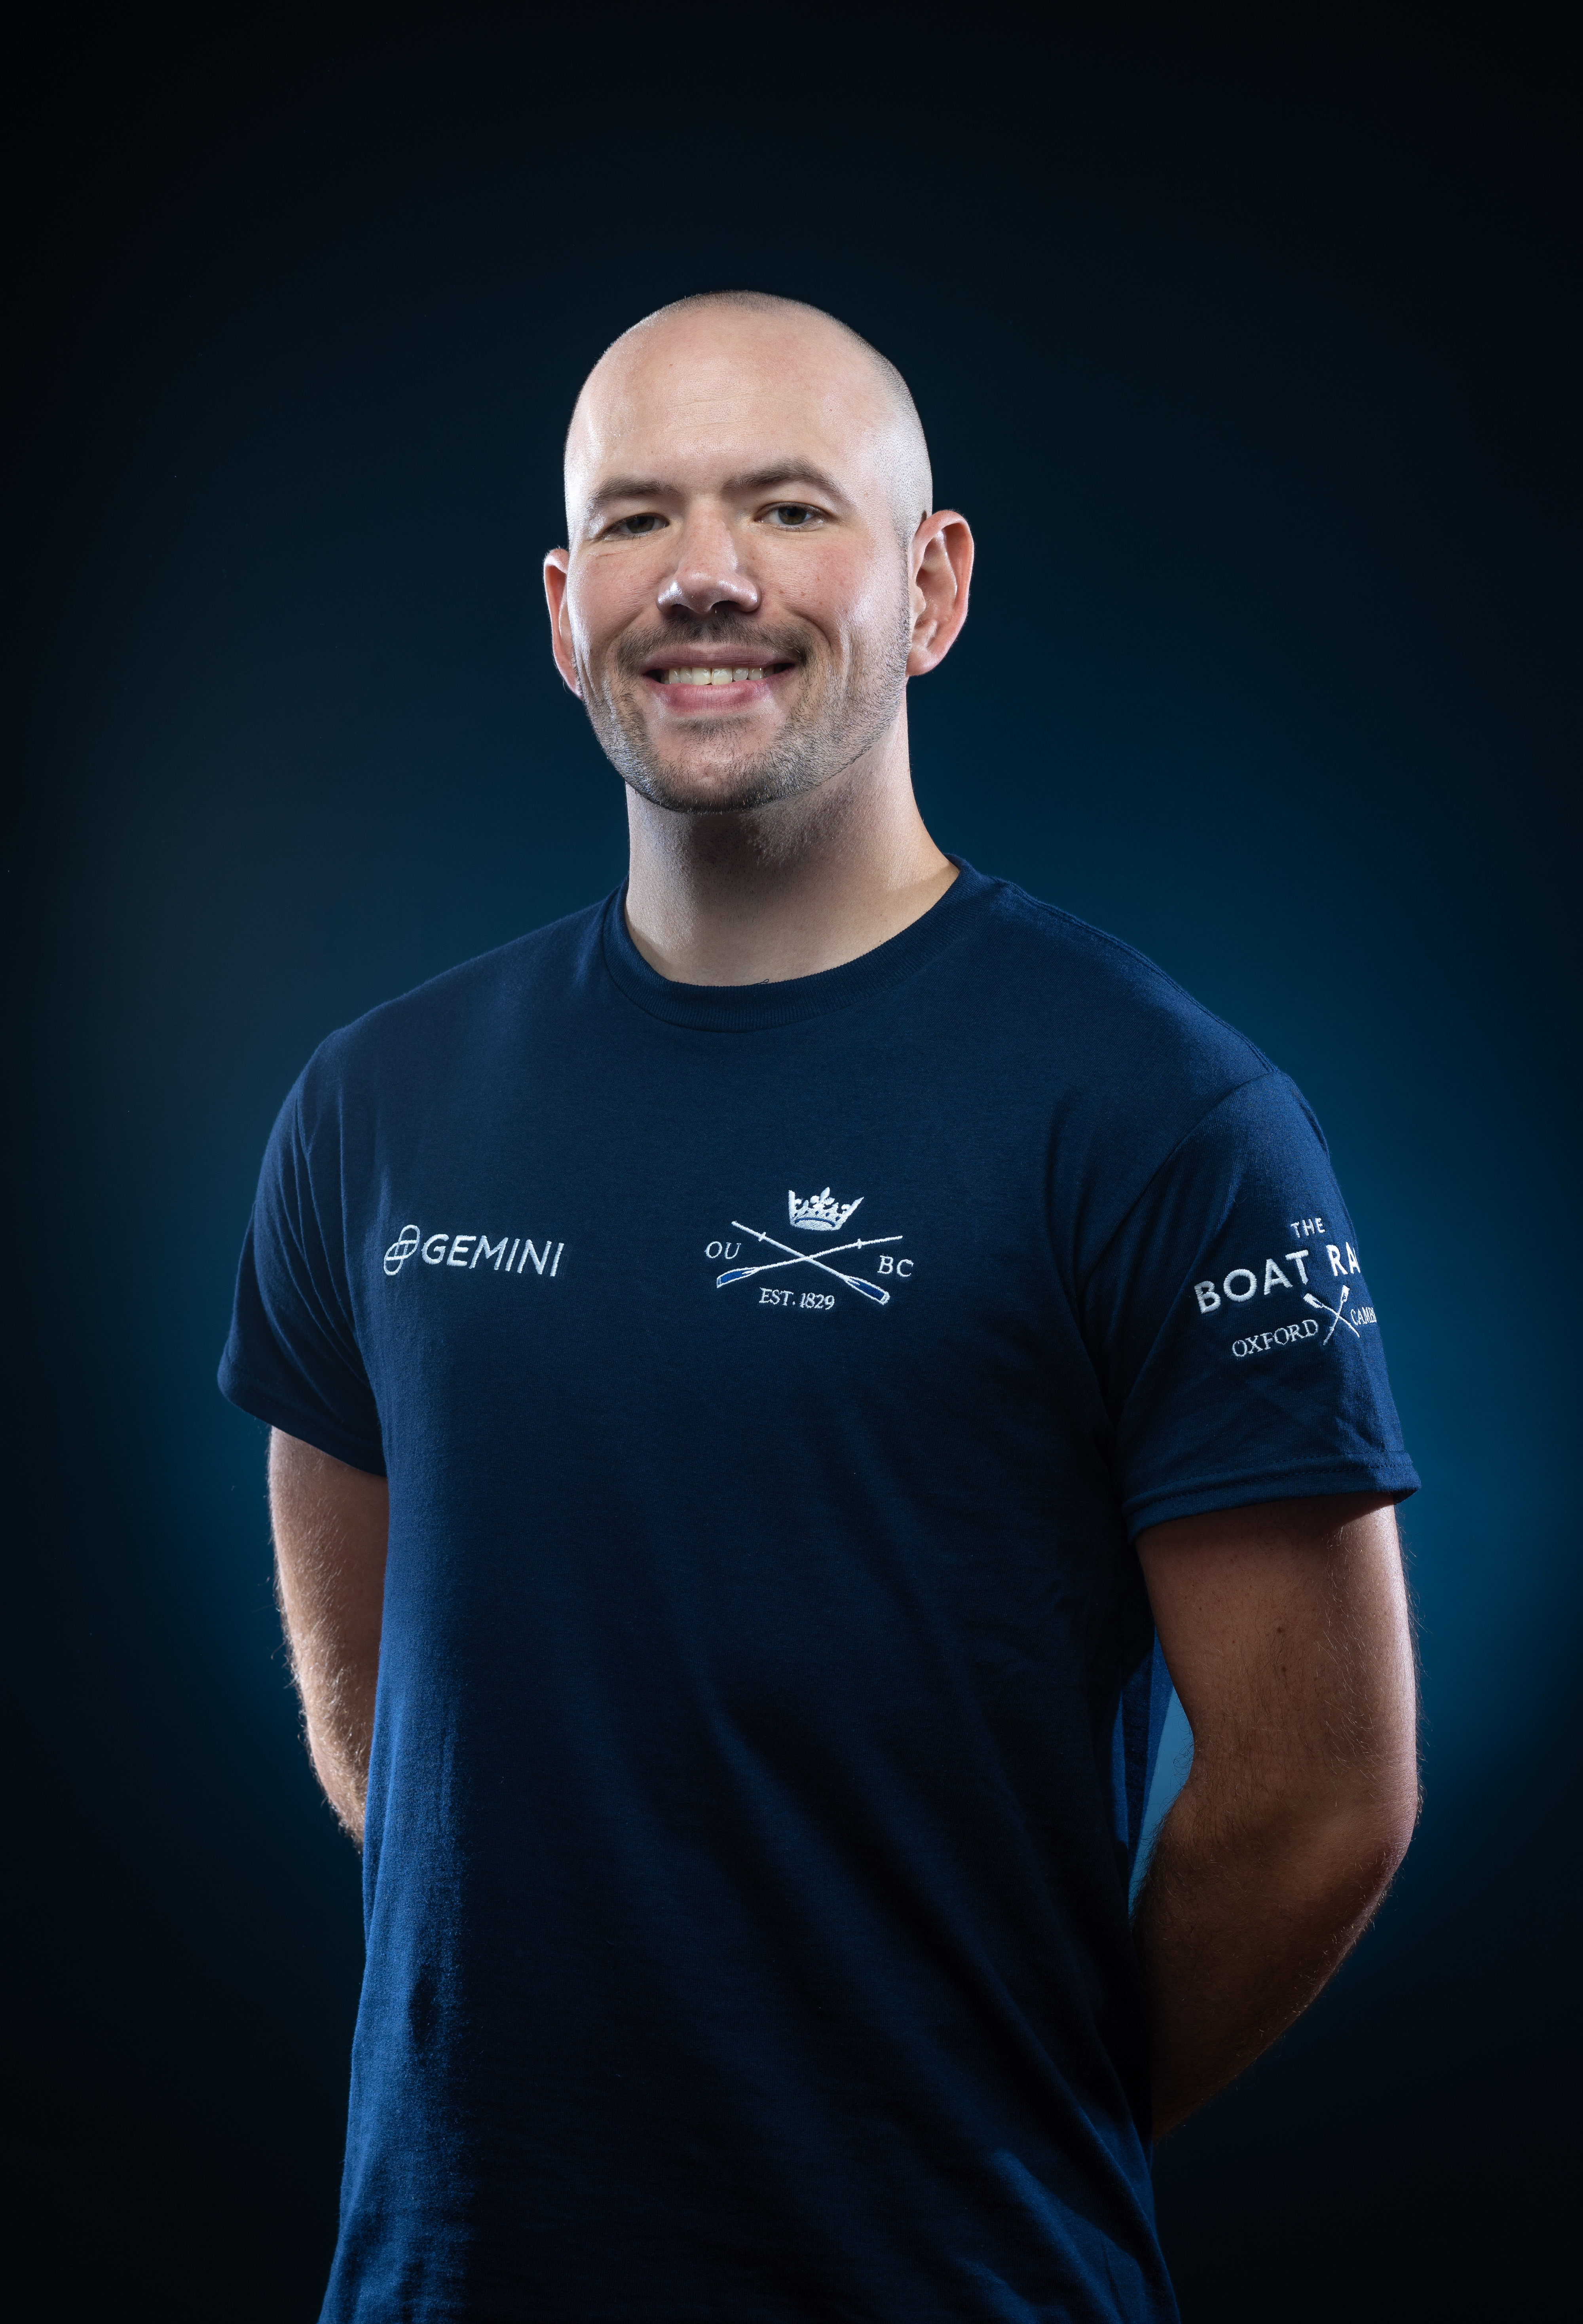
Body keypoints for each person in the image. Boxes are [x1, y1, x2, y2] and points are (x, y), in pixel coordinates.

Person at [219, 292, 1420, 2323]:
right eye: (634, 519)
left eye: (786, 508)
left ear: (930, 587)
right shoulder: (375, 1108)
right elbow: (393, 1738)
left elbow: (1321, 1802)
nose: (703, 576)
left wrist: (978, 2126)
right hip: (448, 2273)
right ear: (563, 611)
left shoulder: (1159, 1114)